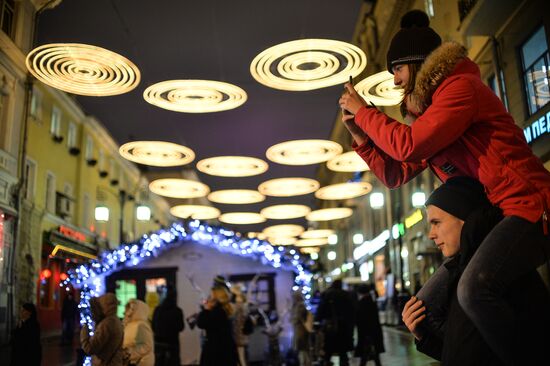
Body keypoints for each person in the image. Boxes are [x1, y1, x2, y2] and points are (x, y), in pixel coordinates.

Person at [339, 9, 550, 364]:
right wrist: (362, 137)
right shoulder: (431, 115)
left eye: (398, 71)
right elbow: (396, 173)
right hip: (495, 218)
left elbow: (410, 145)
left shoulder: (460, 89)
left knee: (474, 290)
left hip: (529, 206)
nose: (394, 82)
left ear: (418, 65)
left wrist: (365, 113)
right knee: (422, 308)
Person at [402, 177, 550, 365]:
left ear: (464, 218)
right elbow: (465, 351)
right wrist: (423, 335)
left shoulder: (490, 277)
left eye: (436, 222)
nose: (431, 234)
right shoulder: (466, 272)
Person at [315, 279, 355, 366]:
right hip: (343, 327)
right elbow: (352, 311)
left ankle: (327, 362)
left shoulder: (327, 294)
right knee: (343, 351)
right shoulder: (346, 294)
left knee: (328, 350)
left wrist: (317, 320)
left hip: (331, 327)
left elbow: (321, 310)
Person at [196, 286, 238, 366]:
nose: (208, 298)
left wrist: (206, 309)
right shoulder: (224, 310)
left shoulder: (217, 312)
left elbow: (201, 323)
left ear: (216, 298)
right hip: (226, 351)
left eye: (211, 296)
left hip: (216, 353)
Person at [80, 292, 124, 366]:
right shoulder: (115, 320)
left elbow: (89, 348)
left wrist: (84, 329)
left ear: (105, 306)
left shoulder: (107, 324)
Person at [152, 286, 184, 366]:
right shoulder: (177, 311)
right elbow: (181, 327)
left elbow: (153, 326)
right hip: (172, 344)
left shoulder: (157, 310)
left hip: (158, 343)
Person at [355, 284, 384, 366]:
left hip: (365, 332)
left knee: (364, 354)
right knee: (375, 354)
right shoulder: (372, 302)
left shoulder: (361, 303)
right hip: (375, 331)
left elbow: (360, 319)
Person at [123, 299, 155, 366]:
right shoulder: (129, 324)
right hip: (131, 360)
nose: (128, 311)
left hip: (140, 362)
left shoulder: (141, 325)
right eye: (128, 308)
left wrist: (129, 353)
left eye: (132, 309)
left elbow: (146, 346)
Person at [230, 284, 252, 366]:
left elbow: (237, 322)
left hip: (238, 337)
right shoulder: (244, 305)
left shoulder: (238, 306)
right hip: (242, 336)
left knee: (241, 359)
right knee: (242, 358)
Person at [290, 291, 312, 366]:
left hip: (301, 330)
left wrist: (293, 320)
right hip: (299, 330)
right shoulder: (297, 306)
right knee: (302, 351)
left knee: (303, 350)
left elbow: (298, 318)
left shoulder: (300, 306)